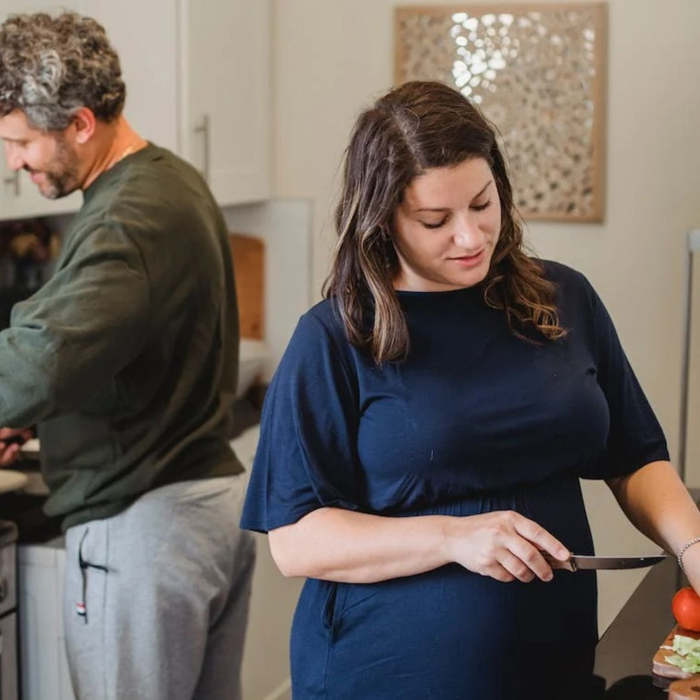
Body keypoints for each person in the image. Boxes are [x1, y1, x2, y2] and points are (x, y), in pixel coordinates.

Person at [241, 80, 700, 700]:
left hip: (552, 663)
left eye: (483, 204)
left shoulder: (563, 298)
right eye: (436, 220)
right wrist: (455, 537)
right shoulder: (335, 338)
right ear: (383, 220)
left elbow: (636, 457)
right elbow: (296, 542)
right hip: (387, 675)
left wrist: (693, 545)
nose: (471, 236)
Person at [0, 11, 254, 700]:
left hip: (147, 531)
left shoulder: (126, 219)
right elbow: (113, 351)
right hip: (197, 511)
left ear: (80, 123)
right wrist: (32, 420)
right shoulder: (166, 181)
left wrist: (22, 401)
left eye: (21, 143)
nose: (15, 164)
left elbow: (35, 361)